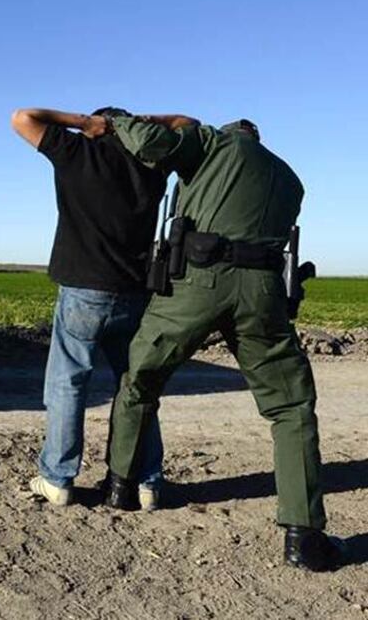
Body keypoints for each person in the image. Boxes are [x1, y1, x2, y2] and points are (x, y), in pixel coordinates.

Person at [102, 113, 344, 572]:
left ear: (231, 132)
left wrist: (119, 120)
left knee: (140, 380)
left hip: (197, 283)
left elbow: (152, 142)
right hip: (263, 293)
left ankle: (120, 486)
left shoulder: (214, 145)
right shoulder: (290, 180)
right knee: (291, 409)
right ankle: (303, 536)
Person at [11, 107, 169, 508]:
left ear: (96, 129)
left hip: (82, 288)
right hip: (134, 291)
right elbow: (190, 123)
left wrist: (82, 123)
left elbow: (22, 117)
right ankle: (147, 482)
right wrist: (140, 124)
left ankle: (58, 478)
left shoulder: (77, 151)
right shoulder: (151, 161)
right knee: (136, 388)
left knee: (68, 383)